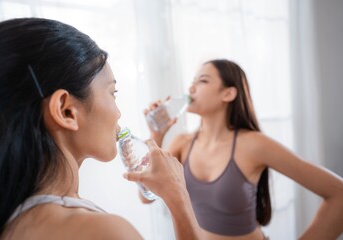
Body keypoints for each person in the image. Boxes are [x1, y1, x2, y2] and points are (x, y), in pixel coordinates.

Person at [0, 18, 202, 240]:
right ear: (66, 110)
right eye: (112, 93)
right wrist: (179, 199)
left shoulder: (12, 216)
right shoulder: (101, 231)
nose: (118, 113)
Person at [143, 59, 343, 240]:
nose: (191, 87)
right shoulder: (181, 143)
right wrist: (156, 136)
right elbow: (146, 197)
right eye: (193, 81)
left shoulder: (254, 144)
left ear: (228, 93)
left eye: (202, 81)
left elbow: (339, 194)